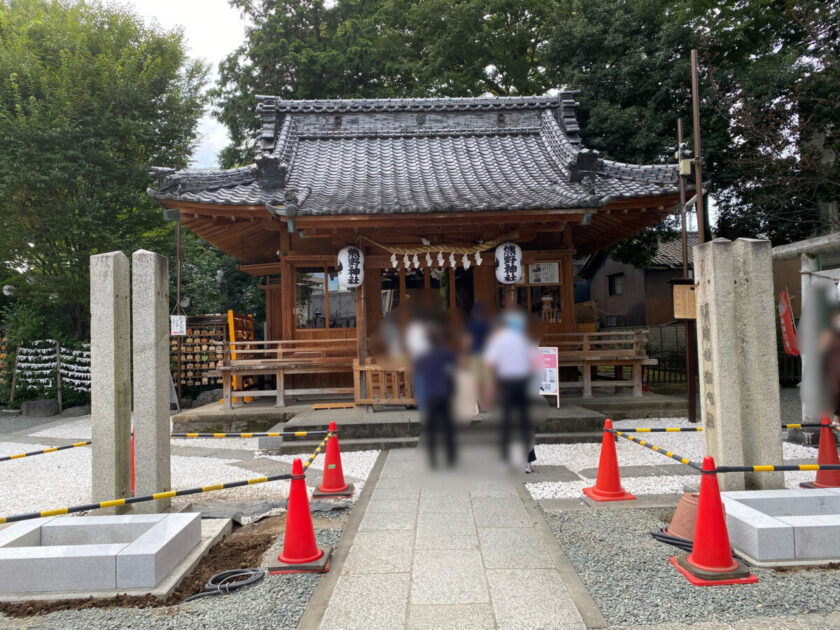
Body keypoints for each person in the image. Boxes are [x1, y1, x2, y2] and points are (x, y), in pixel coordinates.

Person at [484, 308, 539, 472]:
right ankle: (527, 461)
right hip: (524, 383)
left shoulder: (498, 340)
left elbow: (489, 363)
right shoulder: (525, 339)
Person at [414, 326, 457, 467]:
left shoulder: (423, 357)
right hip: (445, 393)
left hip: (431, 395)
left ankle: (433, 459)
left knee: (431, 429)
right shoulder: (448, 354)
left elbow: (420, 377)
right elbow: (452, 373)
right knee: (448, 428)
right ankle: (451, 458)